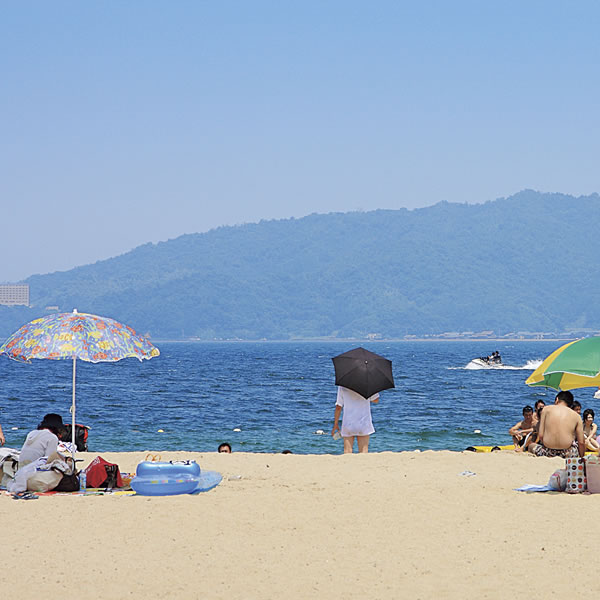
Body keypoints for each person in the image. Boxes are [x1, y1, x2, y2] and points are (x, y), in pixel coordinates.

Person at [528, 391, 584, 458]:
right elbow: (581, 442)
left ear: (557, 399)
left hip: (547, 452)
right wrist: (581, 457)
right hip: (568, 454)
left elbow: (541, 435)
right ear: (571, 404)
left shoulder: (546, 410)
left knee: (531, 446)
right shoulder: (576, 416)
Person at [331, 386, 379, 454]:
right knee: (363, 451)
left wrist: (335, 424)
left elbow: (338, 406)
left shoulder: (342, 385)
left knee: (347, 451)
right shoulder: (368, 383)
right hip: (363, 422)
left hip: (348, 423)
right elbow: (376, 400)